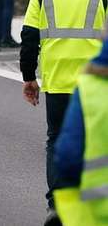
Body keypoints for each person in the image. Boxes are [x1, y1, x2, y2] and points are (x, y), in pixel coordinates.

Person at [19, 0, 108, 224]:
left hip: (57, 80)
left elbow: (29, 36)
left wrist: (29, 77)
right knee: (98, 143)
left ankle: (56, 202)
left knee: (56, 140)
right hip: (96, 84)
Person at [53, 36, 108, 226]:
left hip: (98, 212)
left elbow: (69, 158)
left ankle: (52, 206)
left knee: (53, 138)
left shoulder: (91, 87)